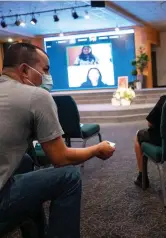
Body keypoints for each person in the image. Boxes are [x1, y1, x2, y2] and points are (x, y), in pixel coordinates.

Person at [0, 43, 115, 238]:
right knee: (69, 177)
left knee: (26, 162)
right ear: (25, 70)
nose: (47, 76)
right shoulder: (37, 96)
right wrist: (96, 149)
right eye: (45, 70)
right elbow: (60, 158)